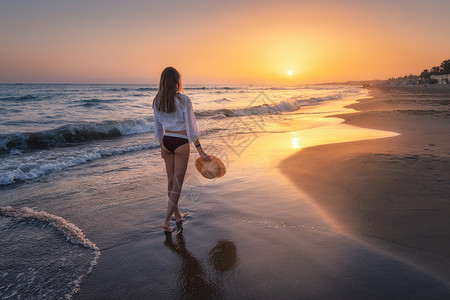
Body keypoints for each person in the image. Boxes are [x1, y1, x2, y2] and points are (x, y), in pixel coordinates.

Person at [153, 67, 210, 232]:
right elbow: (192, 129)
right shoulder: (184, 100)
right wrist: (201, 151)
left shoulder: (157, 101)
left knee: (171, 181)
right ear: (177, 80)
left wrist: (162, 146)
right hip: (180, 142)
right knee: (177, 184)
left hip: (166, 142)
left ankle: (176, 214)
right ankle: (166, 220)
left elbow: (157, 130)